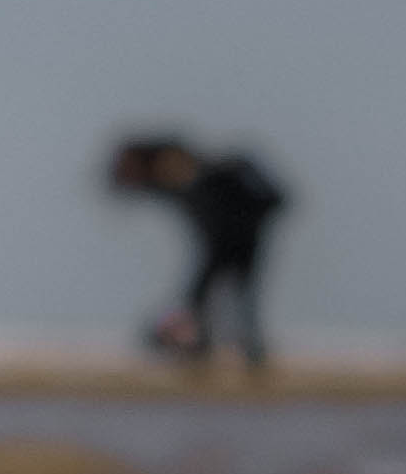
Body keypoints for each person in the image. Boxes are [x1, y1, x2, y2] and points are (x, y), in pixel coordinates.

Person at [103, 135, 290, 367]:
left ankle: (227, 348)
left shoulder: (186, 170)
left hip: (231, 235)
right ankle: (218, 347)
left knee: (223, 296)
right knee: (222, 296)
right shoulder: (188, 173)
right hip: (227, 235)